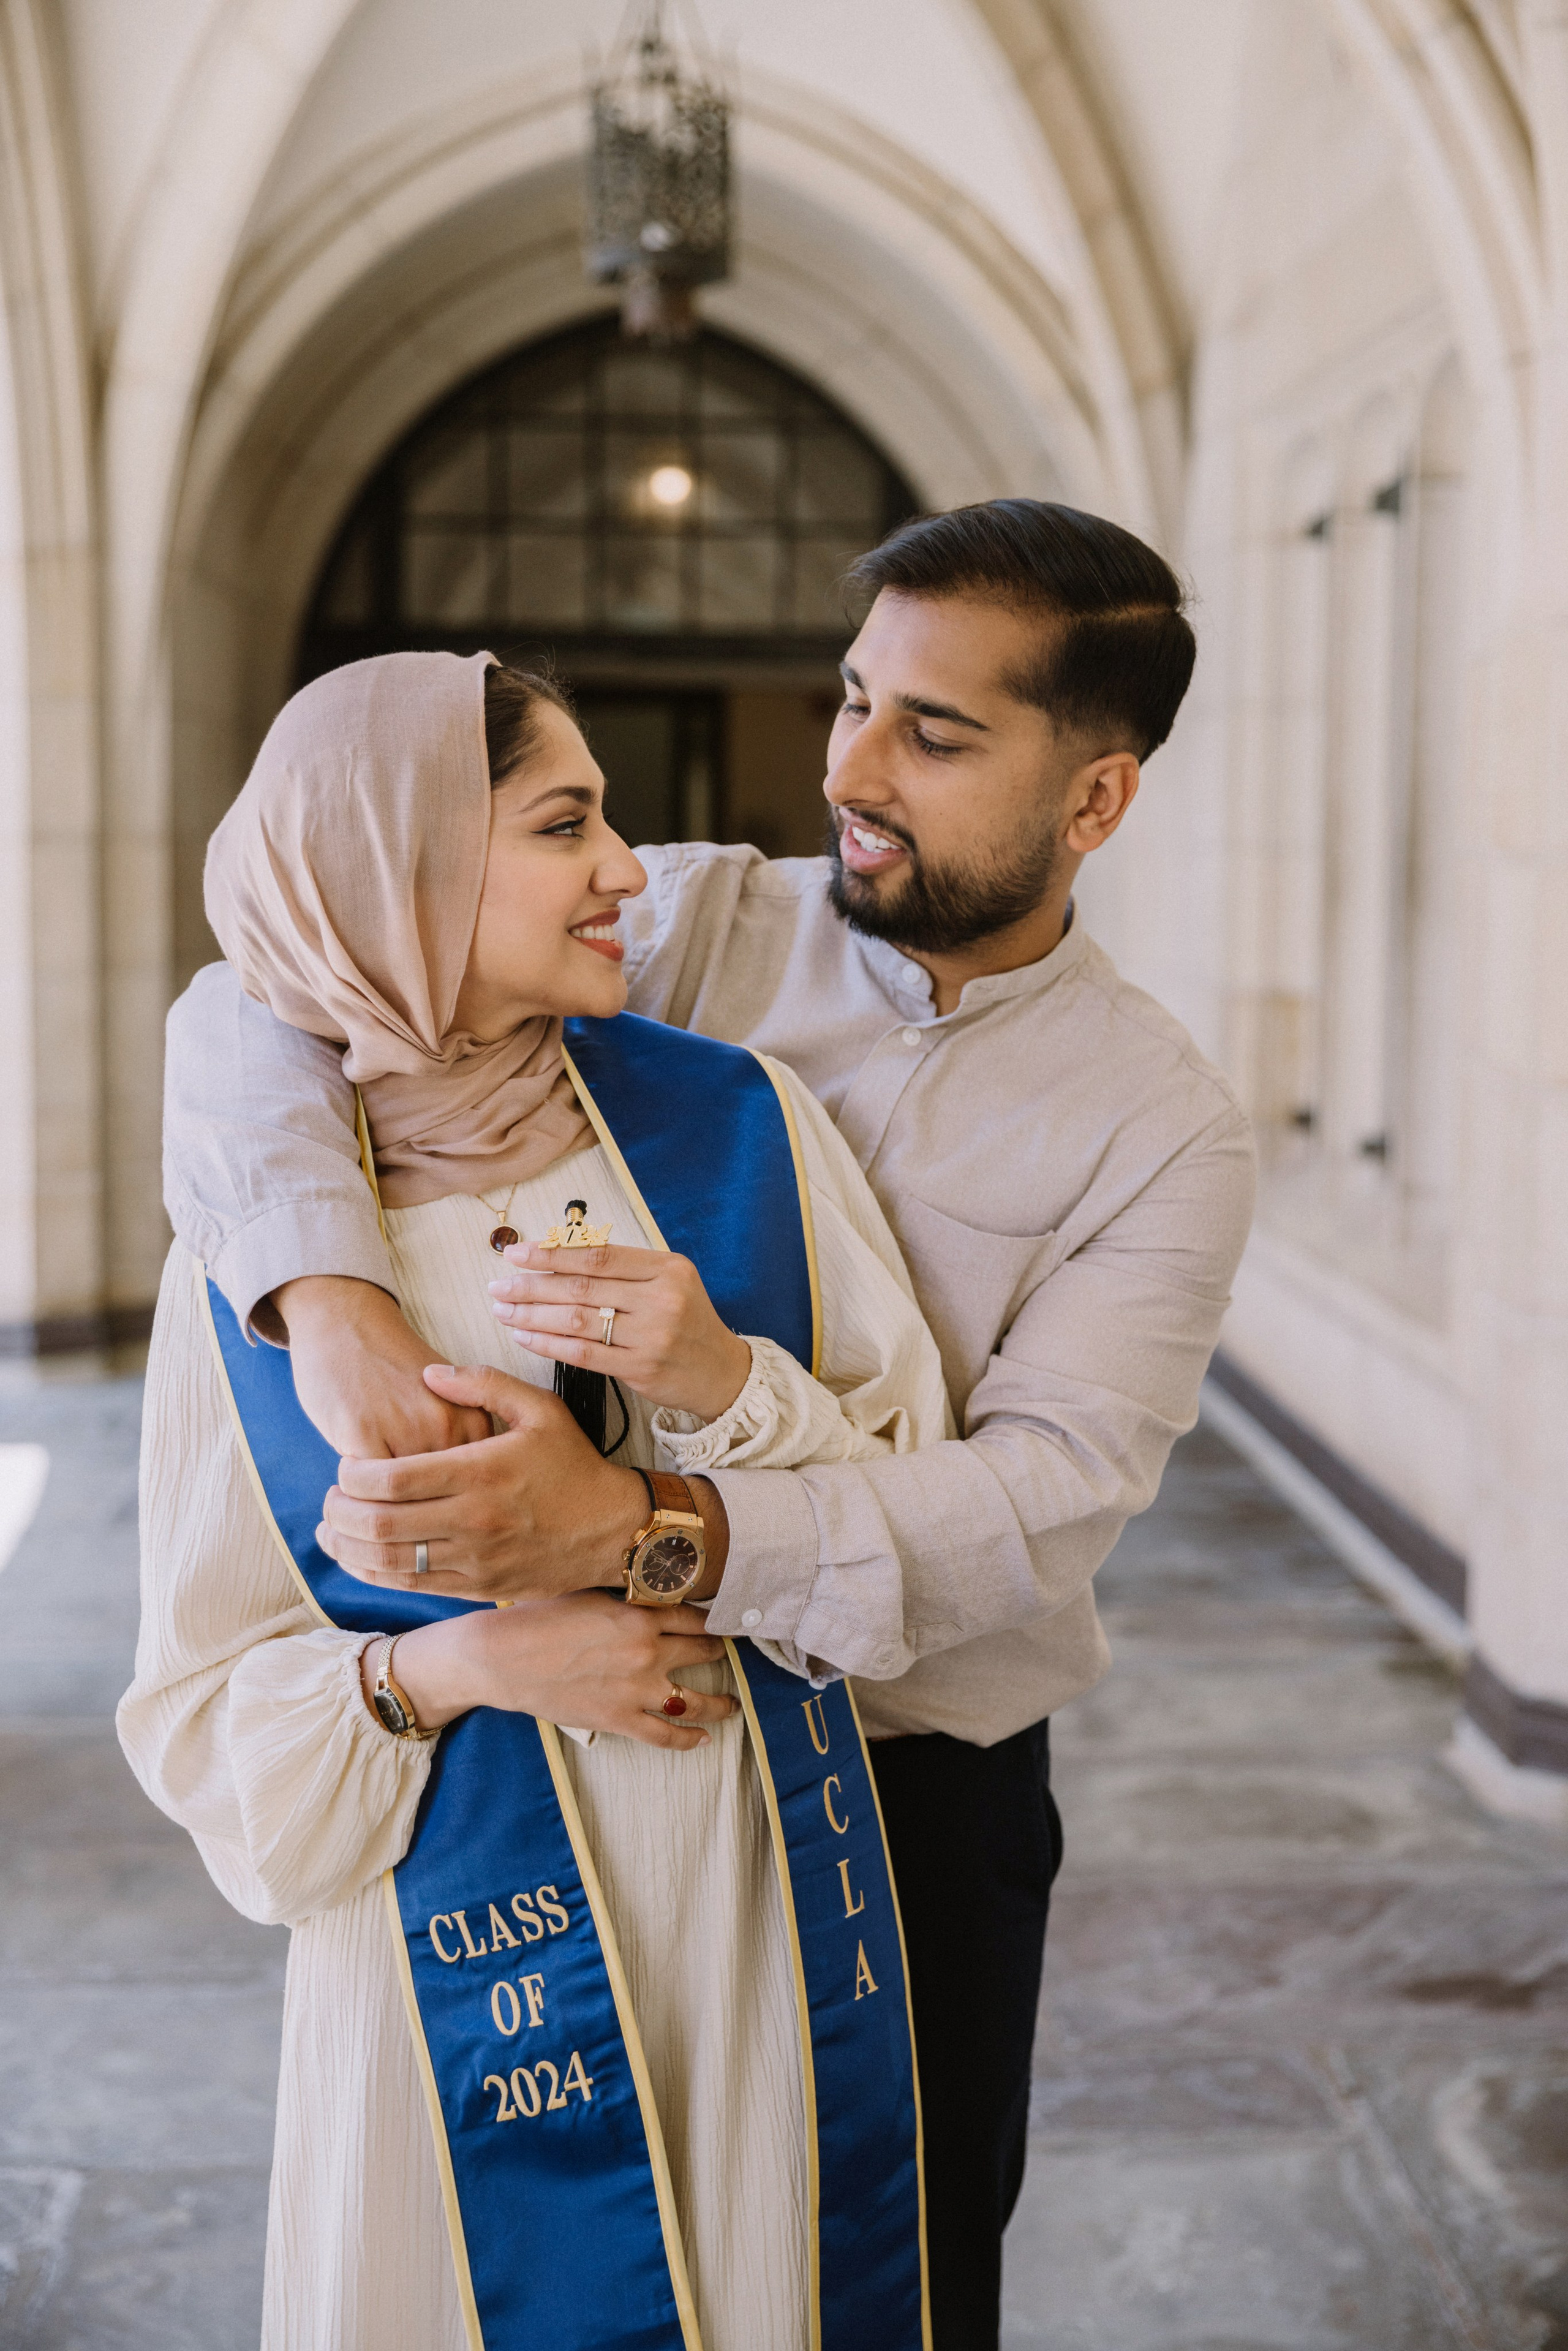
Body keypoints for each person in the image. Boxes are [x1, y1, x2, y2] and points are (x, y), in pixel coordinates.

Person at [161, 500, 1257, 2349]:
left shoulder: (1161, 1125)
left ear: (1097, 801)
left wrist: (637, 1527)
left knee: (876, 2284)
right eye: (853, 699)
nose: (852, 766)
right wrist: (325, 1300)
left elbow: (1040, 1512)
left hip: (910, 1789)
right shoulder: (682, 927)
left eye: (938, 732)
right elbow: (265, 994)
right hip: (597, 1732)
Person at [120, 649, 959, 2351]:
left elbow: (913, 1527)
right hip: (439, 1989)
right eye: (564, 822)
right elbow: (200, 1711)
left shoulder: (741, 1129)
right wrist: (466, 1664)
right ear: (398, 861)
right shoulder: (260, 1267)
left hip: (750, 1915)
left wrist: (727, 1378)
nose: (627, 870)